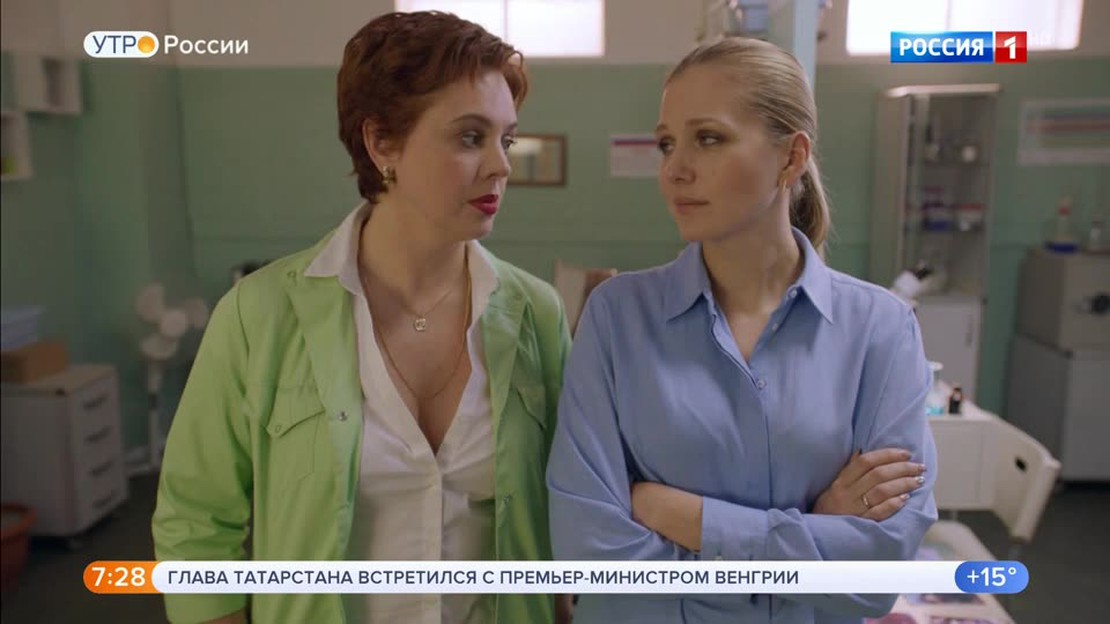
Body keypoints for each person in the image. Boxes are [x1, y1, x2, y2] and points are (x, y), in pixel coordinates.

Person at [153, 11, 571, 624]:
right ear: (381, 144)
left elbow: (565, 510)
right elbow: (195, 521)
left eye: (505, 140)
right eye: (469, 137)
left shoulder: (536, 313)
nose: (501, 166)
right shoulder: (259, 314)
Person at [546, 37, 938, 623]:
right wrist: (812, 542)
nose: (675, 169)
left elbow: (878, 573)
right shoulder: (616, 317)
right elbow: (589, 552)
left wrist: (683, 517)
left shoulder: (880, 328)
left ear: (791, 157)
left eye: (708, 138)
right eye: (666, 144)